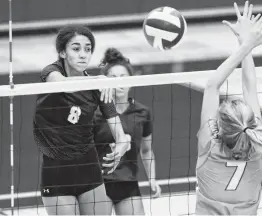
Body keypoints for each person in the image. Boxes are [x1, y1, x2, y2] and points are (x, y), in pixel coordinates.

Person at [33, 25, 131, 215]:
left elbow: (119, 131)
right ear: (62, 52)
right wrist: (98, 80)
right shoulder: (50, 72)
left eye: (88, 49)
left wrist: (121, 145)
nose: (83, 55)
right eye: (76, 49)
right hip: (56, 175)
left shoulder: (98, 87)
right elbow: (62, 86)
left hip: (89, 171)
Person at [196, 2, 262, 215]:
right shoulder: (258, 145)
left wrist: (245, 45)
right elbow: (249, 86)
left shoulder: (209, 145)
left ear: (220, 126)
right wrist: (247, 43)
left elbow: (212, 85)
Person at [93, 48, 161, 215]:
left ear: (132, 81)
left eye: (123, 78)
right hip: (98, 185)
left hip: (128, 184)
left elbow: (146, 151)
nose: (118, 83)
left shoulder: (142, 112)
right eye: (113, 78)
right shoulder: (94, 113)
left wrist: (152, 179)